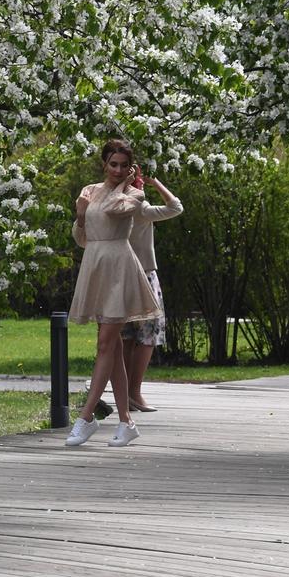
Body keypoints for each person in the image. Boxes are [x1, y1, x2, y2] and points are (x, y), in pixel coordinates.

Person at [65, 139, 162, 447]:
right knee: (113, 347)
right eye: (113, 164)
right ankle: (126, 421)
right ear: (104, 164)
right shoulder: (89, 191)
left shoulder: (134, 194)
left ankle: (86, 416)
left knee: (106, 343)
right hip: (95, 265)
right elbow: (81, 236)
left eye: (124, 165)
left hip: (120, 268)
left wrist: (123, 185)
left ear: (130, 168)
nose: (118, 170)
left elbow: (114, 209)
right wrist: (81, 214)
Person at [119, 171, 183, 413]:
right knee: (149, 334)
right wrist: (156, 182)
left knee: (126, 336)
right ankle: (134, 393)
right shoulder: (141, 208)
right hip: (144, 275)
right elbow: (176, 207)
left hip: (120, 276)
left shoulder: (114, 204)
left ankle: (125, 394)